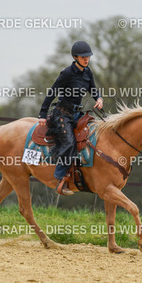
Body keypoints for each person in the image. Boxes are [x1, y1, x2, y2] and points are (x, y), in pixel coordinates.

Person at [38, 41, 104, 195]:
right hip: (62, 114)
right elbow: (52, 92)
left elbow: (93, 90)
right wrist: (42, 114)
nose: (86, 59)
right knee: (69, 143)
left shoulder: (88, 72)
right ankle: (59, 178)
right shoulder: (67, 73)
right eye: (83, 57)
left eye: (88, 57)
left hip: (77, 113)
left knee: (94, 134)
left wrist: (99, 99)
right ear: (75, 57)